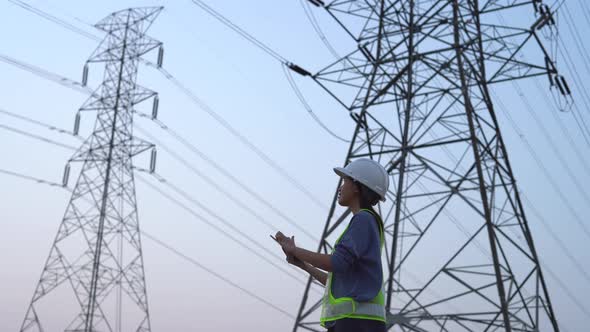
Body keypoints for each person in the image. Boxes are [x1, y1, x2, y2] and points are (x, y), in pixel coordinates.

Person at [275, 158, 389, 332]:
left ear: (357, 187)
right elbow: (337, 280)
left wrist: (294, 250)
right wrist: (303, 265)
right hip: (357, 323)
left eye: (345, 181)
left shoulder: (363, 220)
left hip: (357, 324)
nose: (340, 187)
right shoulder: (367, 222)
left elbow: (335, 262)